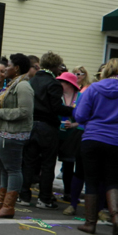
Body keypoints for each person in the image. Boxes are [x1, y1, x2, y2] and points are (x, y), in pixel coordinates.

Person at [73, 59, 118, 235]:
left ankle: (90, 223)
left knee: (92, 181)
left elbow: (80, 116)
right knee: (112, 181)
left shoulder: (94, 88)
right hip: (117, 141)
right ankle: (117, 218)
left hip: (92, 138)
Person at [18, 52, 73, 209]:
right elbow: (56, 107)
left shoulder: (31, 81)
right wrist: (73, 110)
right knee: (48, 164)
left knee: (28, 162)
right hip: (47, 128)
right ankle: (44, 199)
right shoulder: (53, 83)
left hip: (30, 125)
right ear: (55, 66)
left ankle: (24, 196)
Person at [0, 54, 34, 218]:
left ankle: (8, 206)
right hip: (4, 131)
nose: (6, 67)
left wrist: (0, 112)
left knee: (12, 170)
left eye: (9, 64)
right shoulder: (13, 84)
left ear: (17, 68)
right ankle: (1, 203)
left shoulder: (23, 86)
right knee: (5, 170)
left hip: (13, 134)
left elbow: (25, 111)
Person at [55, 71, 83, 215]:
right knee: (50, 162)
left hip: (73, 135)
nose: (59, 84)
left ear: (70, 84)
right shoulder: (56, 96)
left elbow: (86, 116)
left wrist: (73, 125)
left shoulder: (81, 97)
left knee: (68, 164)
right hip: (56, 133)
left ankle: (68, 192)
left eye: (62, 82)